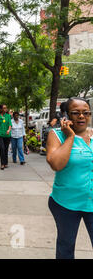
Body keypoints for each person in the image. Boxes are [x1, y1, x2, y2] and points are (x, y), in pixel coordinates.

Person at [46, 97, 93, 259]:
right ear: (66, 115)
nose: (81, 116)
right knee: (66, 247)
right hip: (66, 204)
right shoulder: (57, 135)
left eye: (86, 113)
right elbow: (56, 164)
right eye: (76, 113)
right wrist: (70, 137)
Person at [0, 104, 12, 170]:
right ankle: (2, 164)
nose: (5, 109)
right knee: (2, 148)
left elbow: (10, 124)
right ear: (1, 109)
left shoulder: (8, 116)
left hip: (7, 135)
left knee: (6, 149)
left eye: (6, 108)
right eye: (4, 108)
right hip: (0, 134)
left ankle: (6, 162)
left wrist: (9, 130)